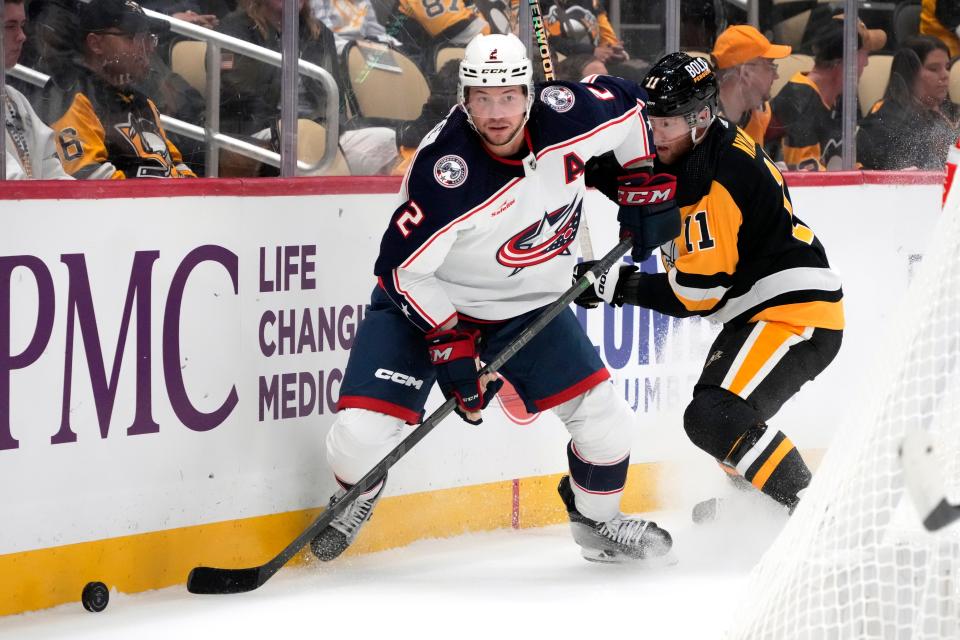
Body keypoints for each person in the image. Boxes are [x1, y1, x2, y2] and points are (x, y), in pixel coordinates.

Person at [310, 32, 678, 564]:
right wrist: (450, 341)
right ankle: (357, 492)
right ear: (464, 99)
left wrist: (641, 176)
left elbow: (633, 111)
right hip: (430, 305)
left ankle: (597, 524)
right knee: (357, 437)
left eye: (508, 96)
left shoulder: (567, 114)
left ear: (530, 95)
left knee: (607, 423)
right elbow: (402, 271)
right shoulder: (446, 172)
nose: (497, 112)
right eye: (483, 98)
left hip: (528, 304)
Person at [577, 52, 844, 516]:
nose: (656, 134)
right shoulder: (700, 146)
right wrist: (596, 166)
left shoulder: (718, 183)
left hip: (795, 314)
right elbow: (658, 183)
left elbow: (697, 297)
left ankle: (814, 513)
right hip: (762, 310)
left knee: (713, 417)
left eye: (667, 124)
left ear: (700, 118)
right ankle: (758, 508)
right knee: (722, 412)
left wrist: (617, 287)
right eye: (652, 120)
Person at [38, 0, 196, 179]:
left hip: (162, 204)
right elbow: (89, 181)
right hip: (123, 206)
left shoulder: (143, 102)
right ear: (96, 44)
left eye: (148, 38)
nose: (146, 48)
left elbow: (177, 165)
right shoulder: (70, 93)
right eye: (132, 38)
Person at [770, 16, 886, 170]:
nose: (866, 62)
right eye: (864, 54)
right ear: (847, 60)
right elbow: (804, 180)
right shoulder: (800, 101)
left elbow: (845, 167)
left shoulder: (838, 98)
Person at [858, 35, 960, 170]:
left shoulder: (954, 111)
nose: (945, 75)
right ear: (909, 74)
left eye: (947, 67)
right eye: (933, 69)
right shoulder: (887, 119)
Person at [2, 0, 71, 179]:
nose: (21, 36)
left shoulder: (15, 99)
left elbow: (50, 168)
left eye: (22, 25)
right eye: (10, 26)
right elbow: (10, 181)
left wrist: (80, 201)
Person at [711, 24, 791, 147]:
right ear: (746, 73)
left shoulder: (759, 113)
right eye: (770, 67)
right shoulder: (700, 126)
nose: (776, 76)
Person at [541, 0, 627, 66]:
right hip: (554, 68)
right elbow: (542, 39)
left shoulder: (593, 2)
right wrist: (591, 51)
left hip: (591, 65)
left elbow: (607, 38)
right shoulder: (534, 4)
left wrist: (614, 52)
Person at [310, 0, 401, 53]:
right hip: (338, 54)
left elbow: (375, 31)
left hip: (364, 50)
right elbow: (324, 35)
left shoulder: (363, 2)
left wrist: (394, 45)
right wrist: (352, 48)